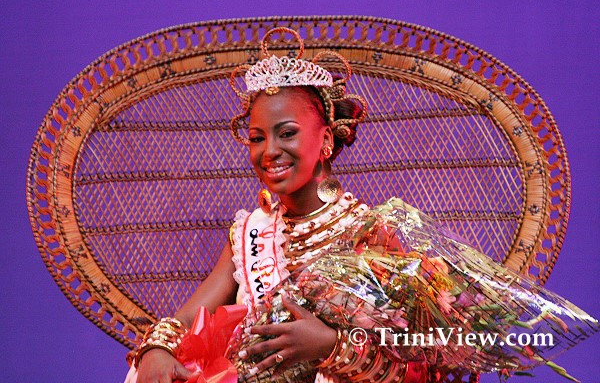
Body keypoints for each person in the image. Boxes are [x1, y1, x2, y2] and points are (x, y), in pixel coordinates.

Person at [126, 28, 597, 383]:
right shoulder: (248, 232)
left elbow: (417, 362)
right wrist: (156, 348)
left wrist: (329, 345)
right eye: (256, 137)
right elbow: (187, 320)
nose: (269, 150)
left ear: (326, 140)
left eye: (286, 132)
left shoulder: (372, 234)